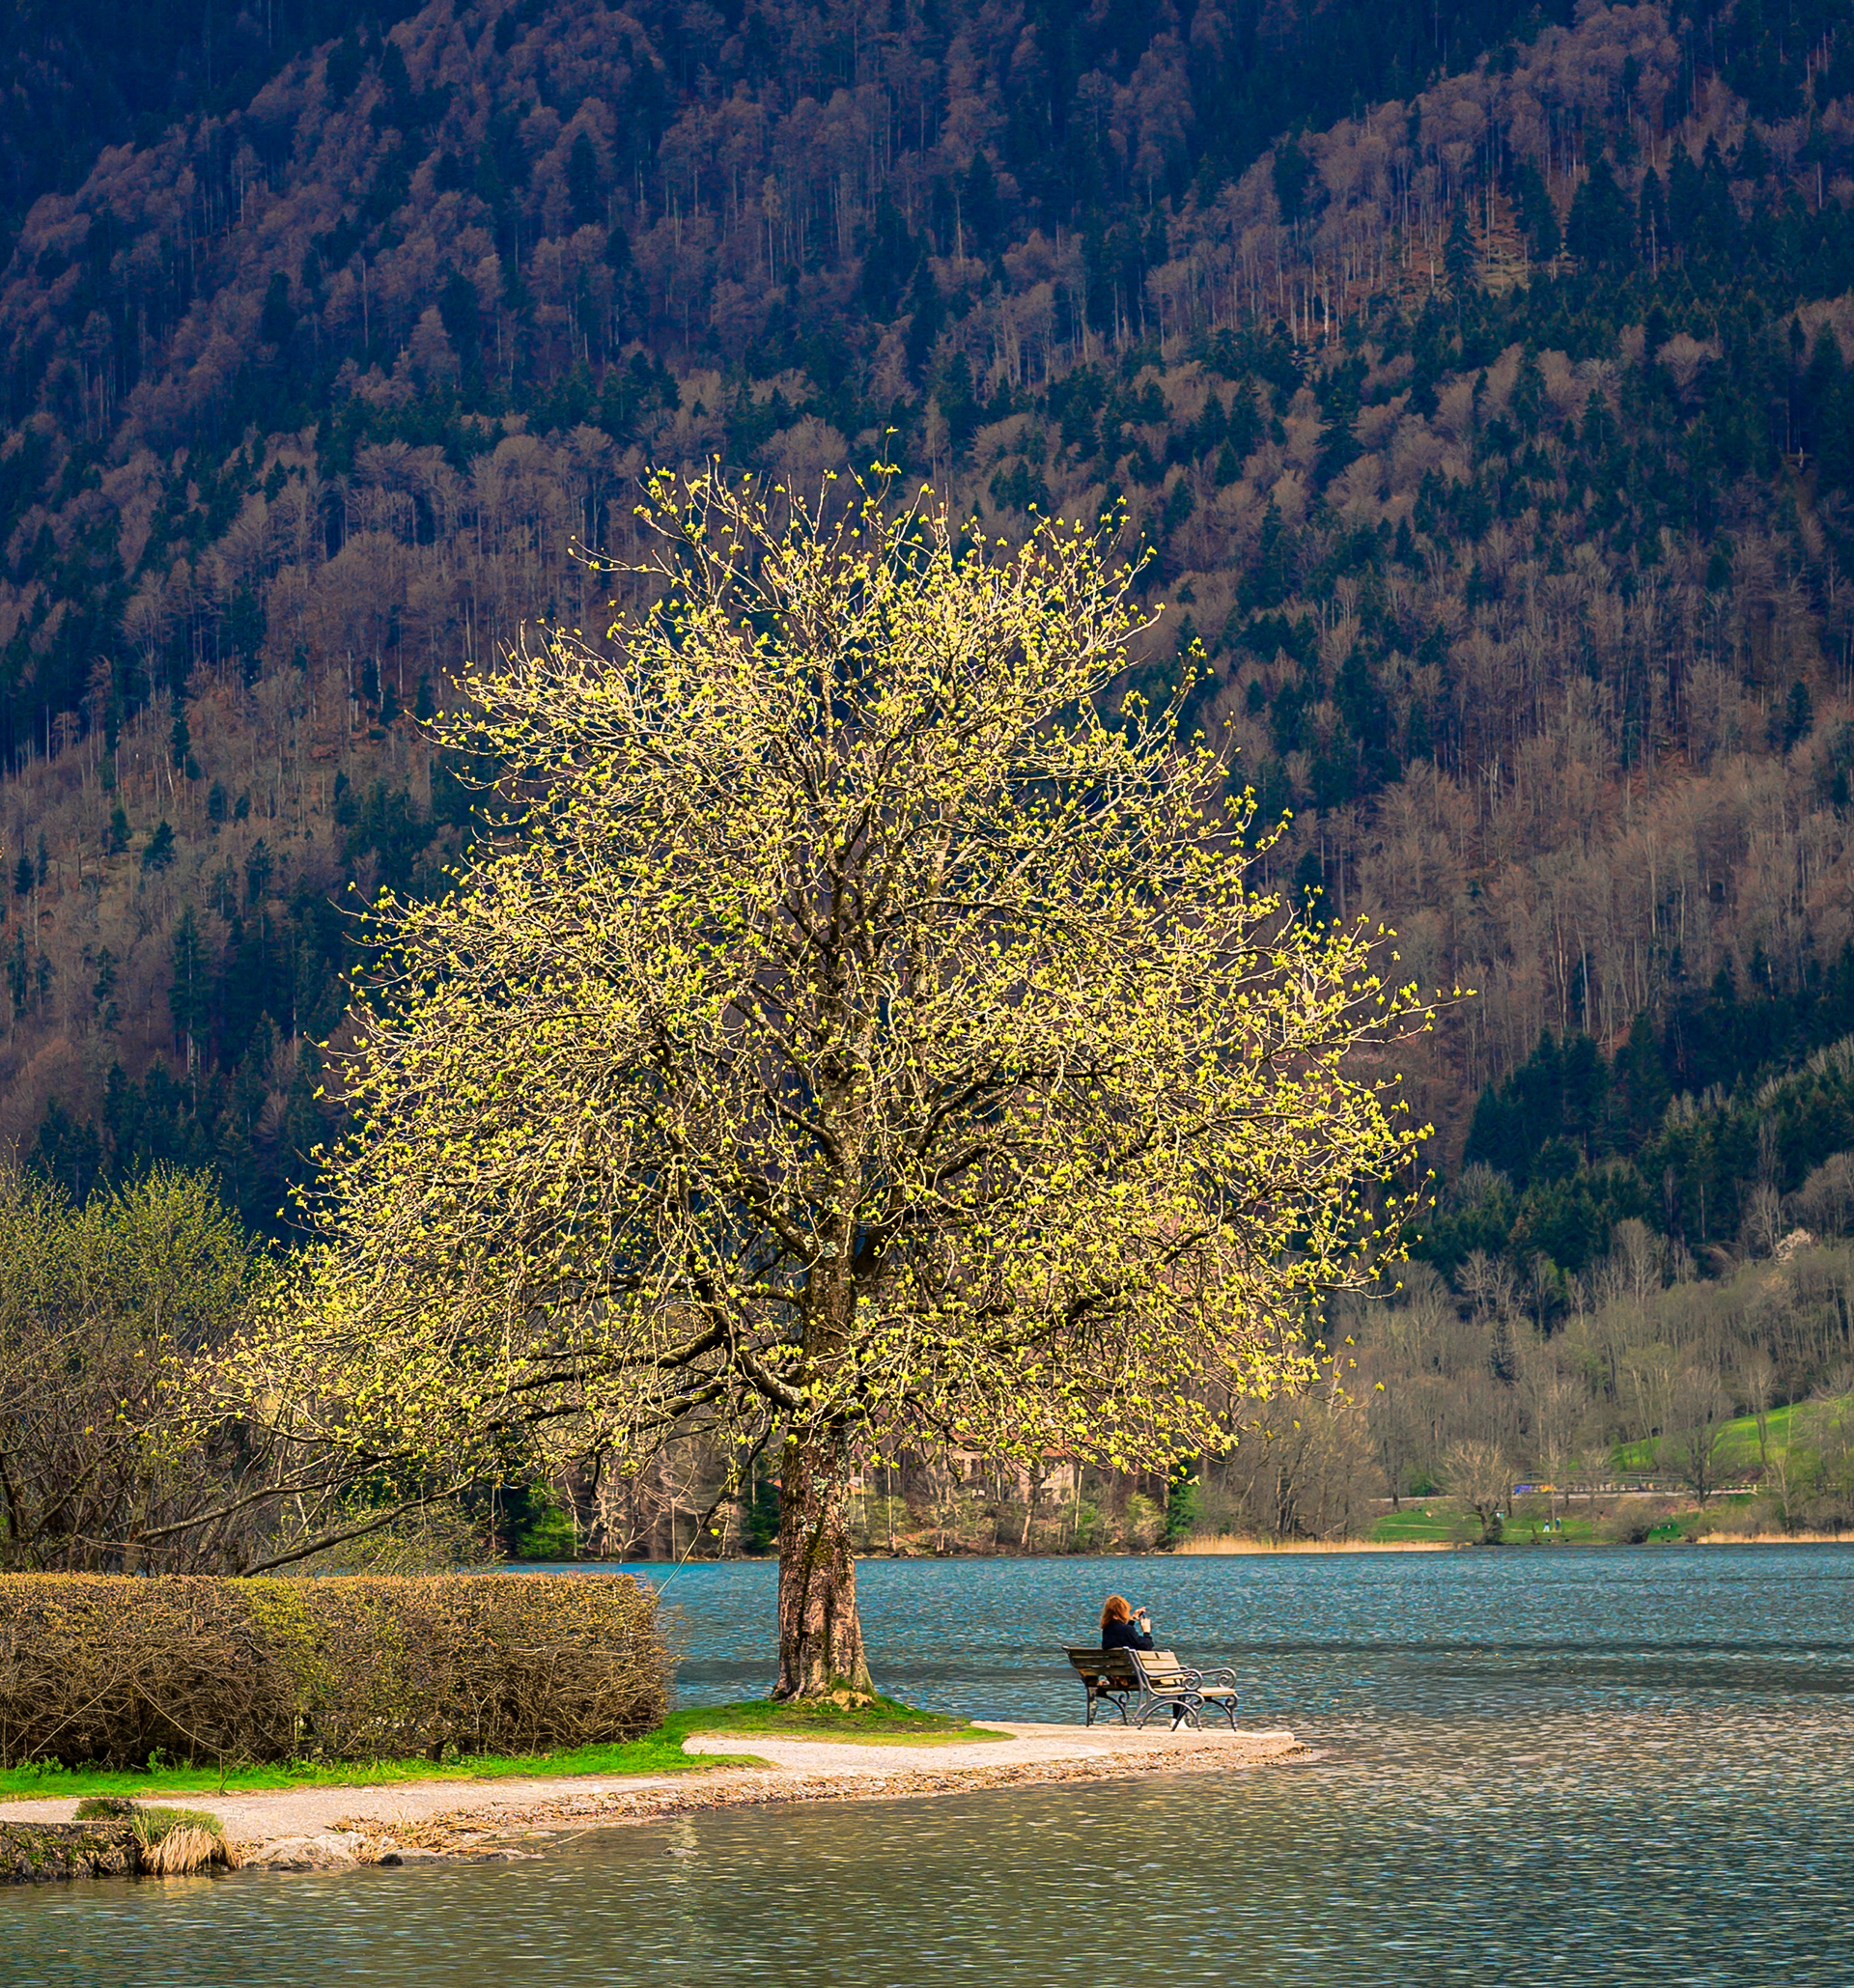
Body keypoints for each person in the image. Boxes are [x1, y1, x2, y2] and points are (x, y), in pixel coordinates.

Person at [1099, 1595, 1191, 1727]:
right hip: (1136, 1678)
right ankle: (1177, 1720)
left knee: (1173, 1680)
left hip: (1119, 1677)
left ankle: (1178, 1720)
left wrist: (1132, 1621)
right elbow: (1146, 1646)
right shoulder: (1125, 1630)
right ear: (1122, 1611)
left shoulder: (1107, 1630)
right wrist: (1146, 1632)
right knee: (1178, 1680)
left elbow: (1124, 1638)